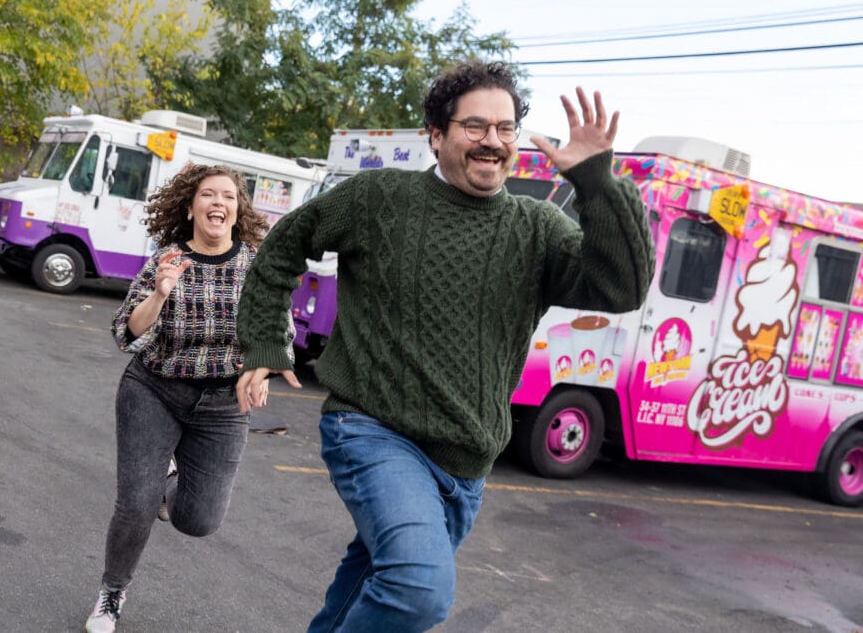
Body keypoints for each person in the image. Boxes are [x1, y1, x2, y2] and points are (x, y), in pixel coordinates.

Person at [236, 60, 655, 632]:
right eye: (475, 127)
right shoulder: (378, 198)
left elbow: (622, 289)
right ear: (436, 135)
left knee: (370, 587)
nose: (493, 141)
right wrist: (265, 341)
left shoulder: (538, 228)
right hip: (372, 429)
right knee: (415, 591)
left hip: (467, 462)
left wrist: (597, 183)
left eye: (506, 129)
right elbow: (283, 247)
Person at [84, 163, 286, 633]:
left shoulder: (257, 265)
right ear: (191, 206)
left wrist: (262, 366)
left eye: (229, 197)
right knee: (135, 504)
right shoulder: (167, 259)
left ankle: (168, 483)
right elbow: (126, 331)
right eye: (209, 195)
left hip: (223, 405)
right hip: (154, 389)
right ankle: (111, 595)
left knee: (199, 521)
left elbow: (278, 329)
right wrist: (160, 293)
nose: (219, 203)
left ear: (239, 209)